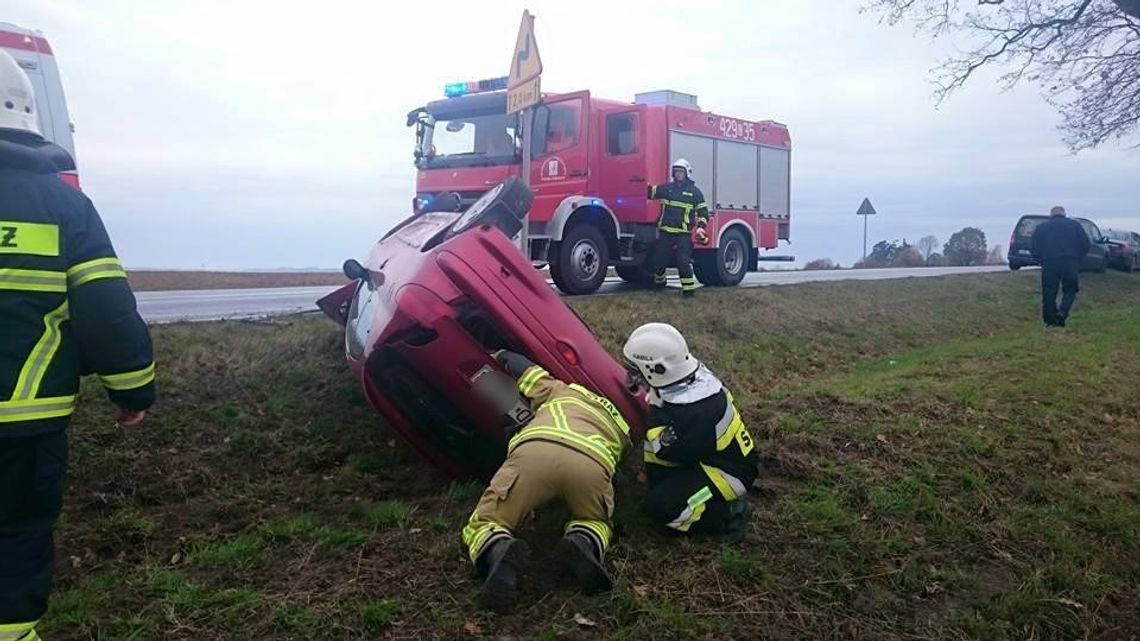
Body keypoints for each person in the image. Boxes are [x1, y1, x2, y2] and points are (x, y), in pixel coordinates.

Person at [0, 50, 156, 641]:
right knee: (13, 536)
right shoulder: (63, 206)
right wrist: (132, 387)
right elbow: (106, 311)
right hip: (23, 424)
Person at [461, 350, 631, 612]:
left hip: (536, 451)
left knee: (487, 520)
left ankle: (498, 549)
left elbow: (523, 369)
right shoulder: (623, 427)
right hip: (591, 464)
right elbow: (619, 475)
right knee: (595, 520)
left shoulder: (563, 390)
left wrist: (500, 353)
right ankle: (583, 540)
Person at [622, 323, 756, 542]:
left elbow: (668, 451)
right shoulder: (685, 379)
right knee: (660, 479)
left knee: (661, 507)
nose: (634, 378)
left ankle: (728, 515)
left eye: (637, 371)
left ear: (656, 370)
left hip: (728, 474)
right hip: (705, 456)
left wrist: (656, 417)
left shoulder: (695, 413)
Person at [647, 159, 711, 297]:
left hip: (683, 234)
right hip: (666, 232)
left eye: (681, 172)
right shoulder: (667, 188)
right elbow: (650, 192)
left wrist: (701, 227)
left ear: (687, 173)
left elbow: (703, 213)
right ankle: (659, 283)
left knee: (683, 262)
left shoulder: (695, 193)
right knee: (659, 261)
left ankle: (688, 292)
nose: (678, 174)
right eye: (676, 171)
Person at [1031, 205, 1091, 327]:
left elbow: (1033, 247)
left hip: (1049, 262)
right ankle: (1063, 312)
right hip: (1070, 261)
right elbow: (1086, 244)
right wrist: (1077, 258)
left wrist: (1040, 260)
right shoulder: (1075, 225)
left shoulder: (1042, 228)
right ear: (1064, 214)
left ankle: (1050, 320)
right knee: (1070, 289)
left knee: (1049, 291)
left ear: (1051, 215)